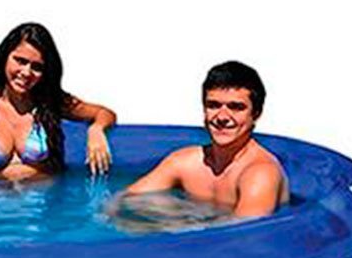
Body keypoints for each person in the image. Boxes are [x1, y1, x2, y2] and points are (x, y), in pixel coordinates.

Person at [121, 60, 288, 218]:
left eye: (236, 107)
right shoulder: (185, 162)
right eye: (213, 105)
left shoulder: (260, 174)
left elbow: (243, 234)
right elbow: (125, 199)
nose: (222, 117)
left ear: (256, 114)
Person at [0, 23, 116, 185]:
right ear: (4, 57)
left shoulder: (51, 103)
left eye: (37, 67)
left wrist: (96, 130)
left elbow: (105, 113)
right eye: (20, 61)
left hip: (42, 199)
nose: (26, 72)